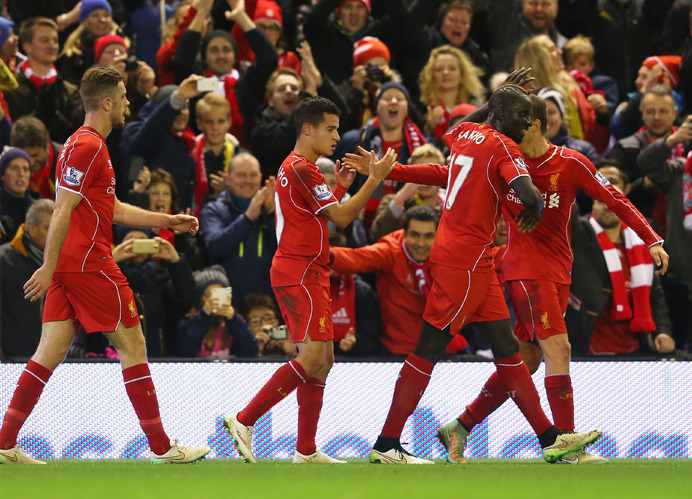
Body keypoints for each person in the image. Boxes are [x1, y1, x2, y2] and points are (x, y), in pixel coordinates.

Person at [343, 79, 601, 465]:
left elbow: (443, 169)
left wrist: (392, 173)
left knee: (509, 351)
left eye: (530, 116)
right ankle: (386, 443)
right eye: (520, 115)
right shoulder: (503, 146)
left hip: (470, 260)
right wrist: (533, 210)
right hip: (465, 261)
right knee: (429, 347)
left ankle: (551, 439)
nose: (526, 122)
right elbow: (531, 195)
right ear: (500, 115)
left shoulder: (466, 134)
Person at [0, 67, 210, 465]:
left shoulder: (83, 144)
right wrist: (47, 266)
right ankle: (163, 448)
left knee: (48, 352)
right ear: (108, 102)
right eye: (125, 97)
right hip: (89, 264)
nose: (129, 104)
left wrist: (167, 221)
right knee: (134, 346)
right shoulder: (89, 146)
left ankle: (4, 441)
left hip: (70, 265)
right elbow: (62, 208)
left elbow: (109, 208)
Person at [445, 93, 666, 465]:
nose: (502, 129)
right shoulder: (503, 160)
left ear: (532, 123)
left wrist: (652, 239)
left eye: (512, 121)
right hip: (525, 270)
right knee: (558, 348)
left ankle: (460, 426)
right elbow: (454, 141)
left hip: (557, 270)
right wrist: (490, 104)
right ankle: (566, 444)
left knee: (528, 359)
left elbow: (615, 199)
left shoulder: (570, 162)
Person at [223, 96, 397, 465]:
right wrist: (373, 180)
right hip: (300, 271)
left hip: (307, 269)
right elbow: (343, 218)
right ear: (308, 128)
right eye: (330, 129)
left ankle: (305, 450)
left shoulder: (296, 167)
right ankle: (244, 420)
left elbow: (316, 216)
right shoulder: (303, 168)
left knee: (324, 358)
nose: (337, 136)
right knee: (314, 356)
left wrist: (343, 188)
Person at [567, 166, 675, 357]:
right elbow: (568, 211)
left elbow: (655, 297)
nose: (608, 206)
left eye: (613, 201)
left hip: (635, 350)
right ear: (591, 204)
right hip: (587, 350)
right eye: (601, 201)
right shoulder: (581, 235)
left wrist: (663, 332)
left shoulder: (641, 243)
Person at [330, 205, 439, 357]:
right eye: (415, 235)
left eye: (428, 236)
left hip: (441, 351)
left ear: (437, 236)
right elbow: (357, 258)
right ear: (404, 233)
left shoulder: (446, 255)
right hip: (396, 353)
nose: (421, 243)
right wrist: (323, 255)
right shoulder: (390, 251)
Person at [200, 152, 278, 307]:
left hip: (268, 305)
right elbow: (216, 249)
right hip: (228, 305)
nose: (248, 181)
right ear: (228, 178)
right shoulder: (213, 210)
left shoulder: (274, 210)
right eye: (241, 175)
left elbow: (287, 251)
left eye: (253, 175)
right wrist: (248, 217)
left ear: (261, 177)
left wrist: (271, 216)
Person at [5, 17, 78, 144]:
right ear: (27, 47)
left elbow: (73, 137)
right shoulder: (11, 90)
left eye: (55, 41)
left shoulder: (70, 90)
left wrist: (54, 115)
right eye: (44, 40)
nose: (52, 45)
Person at [0, 199, 53, 360]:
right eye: (47, 228)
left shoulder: (64, 261)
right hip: (13, 358)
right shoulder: (4, 260)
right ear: (32, 228)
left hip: (56, 359)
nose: (55, 234)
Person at [176, 265, 258, 358]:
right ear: (199, 298)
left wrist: (233, 319)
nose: (214, 299)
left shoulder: (236, 322)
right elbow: (187, 351)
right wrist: (204, 316)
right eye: (209, 295)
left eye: (219, 294)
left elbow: (250, 351)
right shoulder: (189, 321)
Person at [9, 116, 62, 200]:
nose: (31, 162)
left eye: (35, 155)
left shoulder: (67, 162)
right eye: (25, 156)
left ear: (47, 145)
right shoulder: (7, 168)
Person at [0, 148, 40, 245]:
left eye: (25, 169)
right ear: (2, 175)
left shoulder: (39, 209)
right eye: (14, 168)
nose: (21, 174)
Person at [244, 293, 298, 357]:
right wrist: (255, 350)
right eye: (255, 321)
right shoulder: (242, 351)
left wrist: (292, 353)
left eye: (269, 318)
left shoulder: (291, 346)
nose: (265, 326)